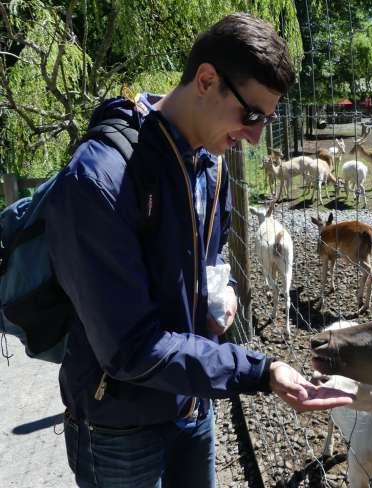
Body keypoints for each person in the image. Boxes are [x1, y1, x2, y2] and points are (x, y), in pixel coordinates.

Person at [44, 13, 353, 488]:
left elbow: (212, 262)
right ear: (207, 80)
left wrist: (222, 290)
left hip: (192, 406)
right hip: (118, 427)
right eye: (251, 115)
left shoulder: (212, 164)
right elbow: (131, 350)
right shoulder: (97, 181)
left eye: (266, 120)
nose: (255, 136)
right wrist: (262, 370)